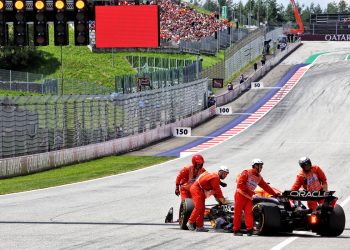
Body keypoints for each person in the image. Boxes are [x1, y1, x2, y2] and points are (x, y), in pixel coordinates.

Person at [233, 159, 279, 236]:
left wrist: (275, 194)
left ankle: (250, 230)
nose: (261, 168)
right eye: (260, 166)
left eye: (261, 166)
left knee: (249, 213)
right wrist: (250, 192)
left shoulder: (259, 177)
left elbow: (266, 187)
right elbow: (240, 185)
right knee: (238, 213)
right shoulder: (246, 172)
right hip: (240, 195)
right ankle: (236, 230)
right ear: (255, 166)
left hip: (248, 197)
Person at [187, 166, 230, 232]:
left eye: (226, 174)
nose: (225, 176)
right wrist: (223, 201)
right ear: (220, 172)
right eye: (224, 173)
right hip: (197, 189)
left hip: (199, 189)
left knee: (202, 209)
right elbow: (218, 191)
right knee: (199, 207)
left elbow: (209, 180)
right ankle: (190, 222)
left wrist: (220, 183)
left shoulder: (214, 174)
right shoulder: (215, 178)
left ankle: (199, 227)